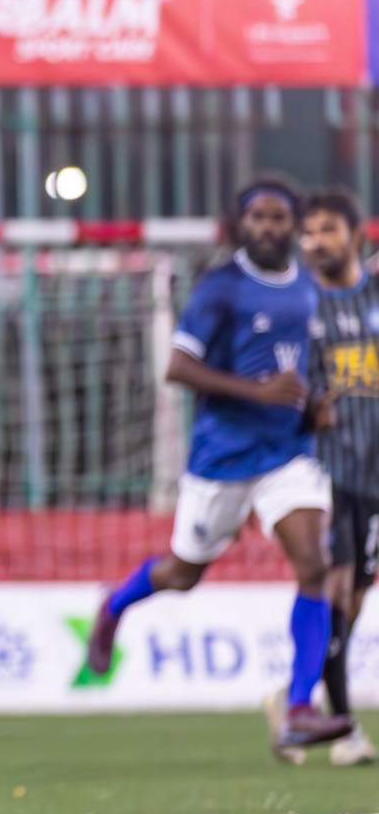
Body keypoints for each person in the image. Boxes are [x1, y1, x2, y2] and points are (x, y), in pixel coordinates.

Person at [86, 177, 350, 751]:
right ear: (241, 225)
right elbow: (177, 368)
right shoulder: (220, 288)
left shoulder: (308, 286)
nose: (269, 228)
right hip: (223, 458)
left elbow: (305, 364)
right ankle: (114, 604)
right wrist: (258, 392)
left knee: (315, 563)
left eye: (280, 218)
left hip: (287, 454)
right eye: (258, 217)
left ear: (294, 226)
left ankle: (300, 707)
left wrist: (317, 405)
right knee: (183, 574)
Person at [298, 189, 379, 766]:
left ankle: (303, 694)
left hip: (374, 470)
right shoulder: (299, 307)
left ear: (355, 233)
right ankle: (343, 728)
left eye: (327, 229)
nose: (314, 241)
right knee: (336, 587)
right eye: (308, 232)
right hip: (326, 471)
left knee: (354, 598)